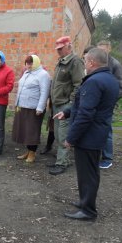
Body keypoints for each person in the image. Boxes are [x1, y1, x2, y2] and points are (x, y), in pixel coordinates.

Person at [54, 48, 119, 220]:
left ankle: (88, 211)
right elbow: (85, 105)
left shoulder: (94, 81)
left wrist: (70, 138)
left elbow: (86, 113)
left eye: (85, 60)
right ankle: (85, 201)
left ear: (92, 62)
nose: (84, 64)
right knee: (89, 173)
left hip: (89, 136)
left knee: (88, 174)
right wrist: (67, 112)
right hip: (97, 133)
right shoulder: (109, 79)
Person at [48, 36, 84, 175]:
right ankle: (63, 159)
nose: (59, 52)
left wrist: (71, 103)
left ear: (69, 46)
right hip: (57, 104)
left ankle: (61, 163)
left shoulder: (75, 62)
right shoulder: (61, 62)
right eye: (57, 49)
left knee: (63, 135)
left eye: (61, 49)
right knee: (57, 133)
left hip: (65, 105)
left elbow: (79, 84)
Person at [13, 55, 50, 163]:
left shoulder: (43, 74)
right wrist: (17, 103)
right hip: (23, 106)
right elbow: (21, 88)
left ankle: (32, 153)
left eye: (30, 63)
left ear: (36, 63)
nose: (28, 65)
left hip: (34, 108)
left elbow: (44, 92)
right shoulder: (26, 73)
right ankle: (28, 151)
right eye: (27, 63)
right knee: (25, 130)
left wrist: (40, 107)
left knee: (32, 131)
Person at [97, 40, 122, 169]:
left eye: (103, 50)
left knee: (106, 129)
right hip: (96, 103)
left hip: (107, 104)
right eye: (99, 50)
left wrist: (110, 100)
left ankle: (107, 158)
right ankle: (97, 153)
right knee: (96, 128)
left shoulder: (115, 64)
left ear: (109, 49)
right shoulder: (98, 62)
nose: (101, 53)